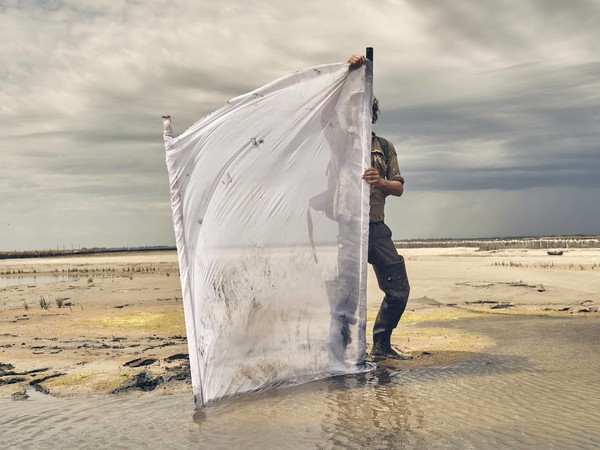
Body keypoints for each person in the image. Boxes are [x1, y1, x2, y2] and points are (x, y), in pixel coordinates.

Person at [349, 54, 412, 361]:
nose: (362, 115)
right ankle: (344, 353)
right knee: (345, 298)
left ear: (373, 114)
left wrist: (380, 182)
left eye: (367, 110)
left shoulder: (384, 147)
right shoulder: (339, 145)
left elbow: (398, 187)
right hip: (346, 231)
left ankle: (382, 346)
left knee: (398, 290)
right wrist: (351, 73)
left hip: (375, 228)